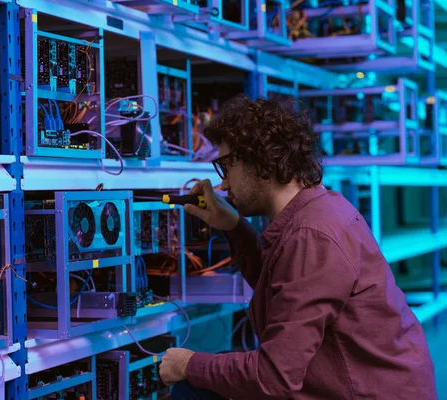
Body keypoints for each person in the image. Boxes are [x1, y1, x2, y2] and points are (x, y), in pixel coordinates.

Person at [158, 94, 438, 400]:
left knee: (194, 387)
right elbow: (281, 286)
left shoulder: (313, 235)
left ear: (257, 159)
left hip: (362, 393)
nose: (222, 185)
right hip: (360, 386)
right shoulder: (318, 210)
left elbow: (274, 378)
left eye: (226, 166)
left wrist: (189, 364)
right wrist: (234, 226)